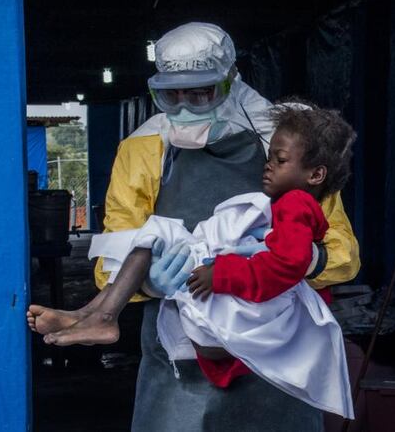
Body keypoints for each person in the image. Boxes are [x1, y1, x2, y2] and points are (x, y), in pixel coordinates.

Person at [27, 22, 360, 431]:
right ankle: (96, 316)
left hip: (275, 355)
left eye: (201, 92)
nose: (185, 107)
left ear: (230, 80)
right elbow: (111, 256)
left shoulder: (287, 143)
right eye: (172, 95)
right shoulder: (143, 149)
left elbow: (342, 252)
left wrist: (292, 259)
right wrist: (150, 281)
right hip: (181, 351)